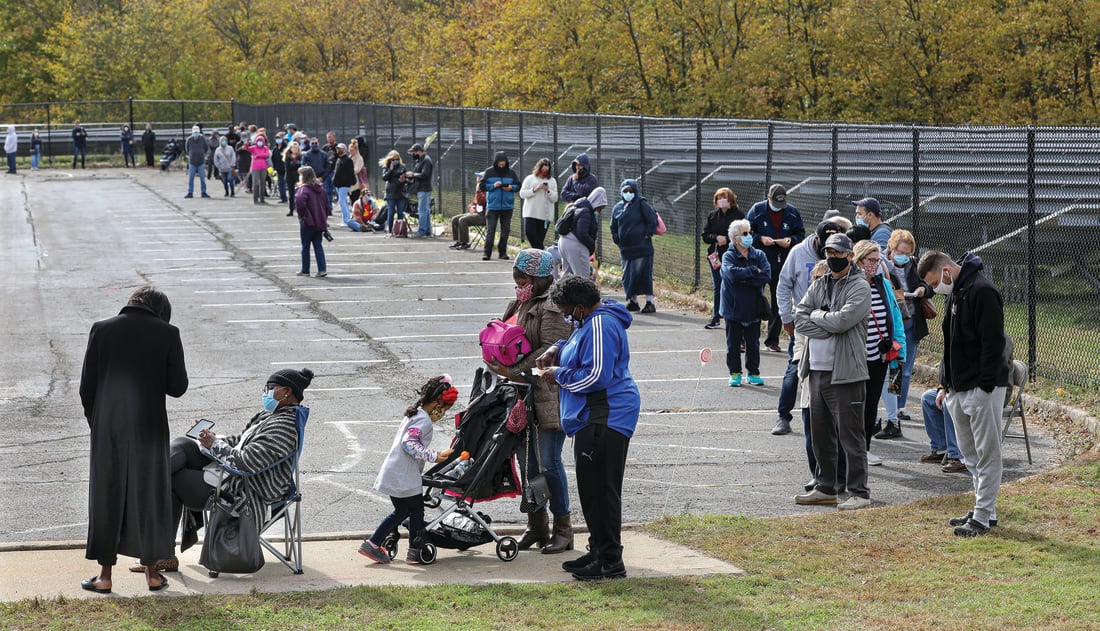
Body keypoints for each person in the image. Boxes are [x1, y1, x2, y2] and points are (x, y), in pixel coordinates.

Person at [131, 368, 313, 574]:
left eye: (270, 389)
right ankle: (147, 481)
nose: (266, 393)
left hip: (246, 489)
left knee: (172, 480)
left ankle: (162, 552)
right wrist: (213, 439)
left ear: (287, 391)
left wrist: (215, 445)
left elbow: (246, 463)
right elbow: (242, 441)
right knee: (184, 444)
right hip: (233, 474)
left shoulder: (283, 426)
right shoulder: (271, 415)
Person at [79, 286, 189, 594]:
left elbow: (87, 386)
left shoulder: (101, 329)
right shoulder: (168, 333)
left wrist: (97, 423)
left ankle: (104, 576)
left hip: (108, 425)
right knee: (150, 496)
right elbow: (178, 387)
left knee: (106, 495)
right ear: (160, 311)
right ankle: (153, 574)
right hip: (149, 427)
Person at [537, 276, 639, 580]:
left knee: (601, 490)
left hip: (605, 416)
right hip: (593, 416)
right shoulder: (591, 320)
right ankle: (599, 550)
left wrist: (559, 374)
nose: (567, 317)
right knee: (592, 490)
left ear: (580, 306)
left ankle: (609, 561)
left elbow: (597, 375)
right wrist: (558, 348)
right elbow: (581, 345)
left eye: (568, 311)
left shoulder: (599, 324)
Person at [918, 250, 1012, 537]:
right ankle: (985, 509)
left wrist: (984, 386)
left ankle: (983, 515)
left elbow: (993, 342)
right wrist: (945, 384)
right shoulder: (957, 293)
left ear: (946, 270)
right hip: (959, 388)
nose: (935, 289)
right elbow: (951, 344)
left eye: (935, 283)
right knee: (970, 454)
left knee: (987, 453)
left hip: (982, 387)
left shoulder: (981, 291)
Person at [487, 249, 574, 553]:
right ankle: (537, 526)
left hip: (549, 395)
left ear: (539, 279)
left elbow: (552, 351)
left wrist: (512, 369)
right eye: (516, 279)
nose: (519, 285)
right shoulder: (523, 302)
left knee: (549, 462)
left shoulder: (552, 306)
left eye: (523, 279)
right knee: (528, 464)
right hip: (523, 396)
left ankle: (564, 528)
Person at [793, 233, 873, 511]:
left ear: (850, 256)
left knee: (851, 437)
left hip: (846, 373)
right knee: (820, 433)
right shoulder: (819, 284)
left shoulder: (860, 287)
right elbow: (799, 317)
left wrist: (819, 316)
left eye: (839, 253)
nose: (833, 258)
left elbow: (843, 321)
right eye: (829, 252)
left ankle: (859, 492)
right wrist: (824, 320)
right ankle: (826, 487)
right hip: (816, 371)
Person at [358, 376, 458, 565]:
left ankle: (374, 543)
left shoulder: (414, 414)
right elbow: (409, 444)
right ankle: (414, 549)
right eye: (443, 409)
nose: (442, 413)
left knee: (402, 511)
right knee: (416, 511)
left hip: (395, 472)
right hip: (404, 476)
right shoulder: (424, 421)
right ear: (437, 403)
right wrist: (433, 455)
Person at [772, 220, 843, 436]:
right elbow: (783, 284)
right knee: (795, 370)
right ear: (817, 239)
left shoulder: (840, 256)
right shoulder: (798, 253)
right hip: (804, 324)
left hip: (831, 324)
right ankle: (783, 416)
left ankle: (830, 421)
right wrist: (786, 316)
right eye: (825, 246)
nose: (829, 252)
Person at [852, 240, 906, 467]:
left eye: (877, 261)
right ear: (859, 260)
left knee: (872, 403)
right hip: (855, 357)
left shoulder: (883, 284)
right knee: (854, 404)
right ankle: (849, 450)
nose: (874, 265)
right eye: (870, 260)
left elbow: (895, 315)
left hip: (880, 357)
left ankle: (864, 449)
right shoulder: (850, 284)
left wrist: (897, 344)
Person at [874, 229, 931, 439]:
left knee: (903, 369)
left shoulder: (914, 265)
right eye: (900, 251)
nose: (903, 256)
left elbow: (928, 283)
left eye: (907, 253)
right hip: (892, 321)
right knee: (887, 368)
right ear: (891, 248)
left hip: (911, 321)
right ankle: (886, 410)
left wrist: (922, 290)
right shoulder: (881, 264)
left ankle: (898, 408)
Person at [746, 184, 805, 352]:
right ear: (768, 198)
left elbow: (800, 233)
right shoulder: (757, 210)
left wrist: (791, 241)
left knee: (778, 302)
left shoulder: (792, 212)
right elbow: (746, 232)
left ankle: (772, 339)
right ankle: (749, 338)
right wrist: (760, 238)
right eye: (775, 202)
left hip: (782, 262)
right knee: (754, 300)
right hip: (759, 262)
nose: (778, 207)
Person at [720, 219, 771, 387]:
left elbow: (766, 275)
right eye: (745, 233)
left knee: (753, 343)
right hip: (733, 308)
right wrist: (752, 272)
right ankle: (735, 373)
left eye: (750, 232)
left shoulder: (759, 255)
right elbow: (731, 275)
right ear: (735, 238)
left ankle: (753, 372)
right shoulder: (728, 256)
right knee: (733, 344)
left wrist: (746, 277)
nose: (749, 236)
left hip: (754, 307)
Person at [609, 179, 658, 313]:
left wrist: (647, 234)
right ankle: (633, 301)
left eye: (631, 191)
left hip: (642, 248)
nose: (628, 193)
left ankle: (649, 302)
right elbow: (613, 226)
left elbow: (652, 220)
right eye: (625, 191)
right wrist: (617, 239)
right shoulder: (618, 207)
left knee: (642, 275)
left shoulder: (642, 204)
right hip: (626, 249)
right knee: (629, 276)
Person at [701, 188, 745, 329]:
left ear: (731, 199)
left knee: (733, 285)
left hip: (733, 255)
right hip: (716, 255)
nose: (721, 200)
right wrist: (716, 238)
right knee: (718, 285)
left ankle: (734, 315)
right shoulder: (712, 215)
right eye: (719, 198)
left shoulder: (738, 215)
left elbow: (744, 235)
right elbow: (705, 235)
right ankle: (716, 316)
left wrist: (728, 239)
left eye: (724, 197)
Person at [479, 151, 520, 260]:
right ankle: (487, 253)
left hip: (507, 206)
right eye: (499, 163)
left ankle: (502, 253)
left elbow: (518, 185)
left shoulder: (511, 173)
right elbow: (482, 186)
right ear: (496, 162)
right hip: (492, 206)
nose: (501, 165)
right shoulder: (489, 172)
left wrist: (511, 187)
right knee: (490, 230)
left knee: (505, 230)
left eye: (503, 163)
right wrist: (493, 185)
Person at [558, 187, 606, 278]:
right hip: (575, 246)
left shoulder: (577, 207)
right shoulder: (586, 212)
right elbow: (582, 233)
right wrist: (592, 246)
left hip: (564, 242)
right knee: (582, 279)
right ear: (596, 203)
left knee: (567, 277)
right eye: (600, 208)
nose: (599, 211)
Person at [919, 388, 968, 474]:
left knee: (948, 402)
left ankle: (959, 457)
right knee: (927, 397)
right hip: (953, 387)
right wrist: (942, 388)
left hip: (969, 389)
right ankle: (940, 449)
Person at [294, 166, 329, 278]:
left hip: (308, 222)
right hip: (320, 222)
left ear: (303, 176)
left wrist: (303, 215)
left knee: (305, 246)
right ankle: (322, 269)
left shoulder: (303, 189)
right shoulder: (321, 189)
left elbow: (299, 203)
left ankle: (305, 270)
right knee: (318, 245)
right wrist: (324, 218)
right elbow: (327, 205)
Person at [519, 158, 558, 249]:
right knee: (529, 232)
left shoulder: (552, 181)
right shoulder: (530, 178)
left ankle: (538, 257)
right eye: (542, 169)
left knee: (540, 238)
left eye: (546, 170)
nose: (544, 172)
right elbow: (522, 193)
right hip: (530, 213)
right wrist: (534, 189)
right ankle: (543, 250)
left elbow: (555, 198)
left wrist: (548, 190)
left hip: (544, 215)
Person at [450, 172, 487, 249]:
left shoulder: (486, 189)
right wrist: (471, 207)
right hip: (475, 213)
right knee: (454, 219)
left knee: (462, 220)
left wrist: (478, 191)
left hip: (483, 216)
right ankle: (458, 241)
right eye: (477, 177)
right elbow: (474, 202)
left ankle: (464, 243)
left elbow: (482, 202)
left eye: (479, 177)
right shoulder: (479, 188)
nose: (477, 178)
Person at [406, 143, 434, 238]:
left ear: (418, 151)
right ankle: (427, 230)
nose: (413, 155)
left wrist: (413, 175)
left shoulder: (426, 160)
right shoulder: (421, 160)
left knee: (422, 210)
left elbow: (424, 175)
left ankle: (422, 230)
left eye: (414, 153)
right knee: (425, 210)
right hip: (421, 188)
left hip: (424, 189)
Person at [380, 150, 409, 234]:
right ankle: (390, 230)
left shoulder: (402, 167)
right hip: (390, 192)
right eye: (393, 160)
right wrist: (391, 169)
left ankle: (399, 229)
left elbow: (405, 178)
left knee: (400, 212)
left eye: (396, 159)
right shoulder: (387, 167)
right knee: (391, 212)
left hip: (400, 192)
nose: (395, 161)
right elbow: (385, 178)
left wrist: (402, 180)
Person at [332, 143, 360, 231]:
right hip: (338, 184)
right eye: (337, 148)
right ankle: (345, 219)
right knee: (343, 201)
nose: (338, 150)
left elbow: (351, 172)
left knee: (342, 201)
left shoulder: (348, 160)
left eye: (340, 148)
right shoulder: (338, 159)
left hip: (344, 184)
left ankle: (347, 220)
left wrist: (351, 182)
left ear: (344, 149)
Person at [184, 126, 210, 199]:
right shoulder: (189, 140)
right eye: (194, 133)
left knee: (202, 178)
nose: (196, 134)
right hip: (192, 162)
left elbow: (206, 148)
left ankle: (203, 192)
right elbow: (187, 149)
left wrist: (202, 154)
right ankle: (190, 192)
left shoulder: (203, 139)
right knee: (191, 177)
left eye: (197, 133)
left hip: (201, 162)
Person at [247, 134, 271, 205]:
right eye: (258, 141)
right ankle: (255, 199)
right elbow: (247, 148)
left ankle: (262, 198)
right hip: (255, 168)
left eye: (261, 141)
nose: (259, 142)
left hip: (263, 167)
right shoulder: (253, 148)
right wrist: (246, 143)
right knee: (255, 183)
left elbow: (267, 155)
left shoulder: (265, 148)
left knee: (263, 183)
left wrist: (257, 156)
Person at [283, 142, 303, 217]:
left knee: (299, 195)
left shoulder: (301, 156)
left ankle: (299, 210)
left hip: (298, 177)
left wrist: (295, 166)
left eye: (296, 147)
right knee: (291, 195)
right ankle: (291, 210)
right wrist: (296, 166)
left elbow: (301, 167)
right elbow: (288, 167)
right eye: (293, 147)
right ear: (290, 148)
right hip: (290, 177)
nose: (295, 149)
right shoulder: (287, 157)